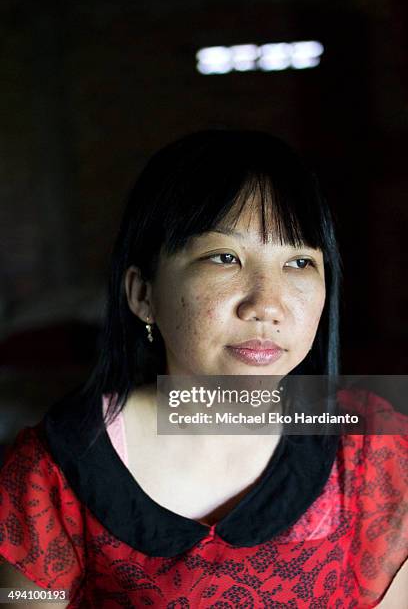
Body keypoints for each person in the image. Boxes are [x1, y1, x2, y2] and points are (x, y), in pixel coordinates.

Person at [0, 130, 407, 608]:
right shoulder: (51, 472)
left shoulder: (372, 449)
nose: (267, 305)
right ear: (143, 294)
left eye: (299, 262)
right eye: (224, 257)